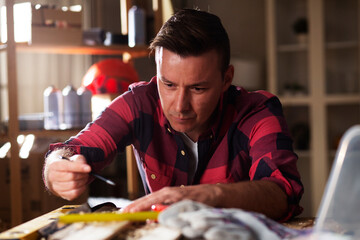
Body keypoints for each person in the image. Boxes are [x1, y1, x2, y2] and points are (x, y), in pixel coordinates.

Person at [43, 9, 303, 221]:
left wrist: (206, 196)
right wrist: (56, 168)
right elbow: (69, 150)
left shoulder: (256, 112)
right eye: (168, 85)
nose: (180, 105)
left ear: (227, 79)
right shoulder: (139, 103)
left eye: (198, 88)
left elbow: (282, 193)